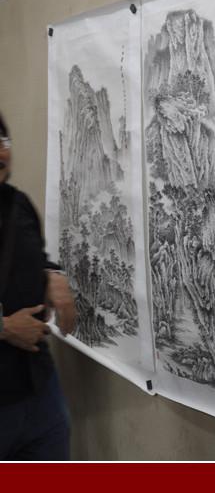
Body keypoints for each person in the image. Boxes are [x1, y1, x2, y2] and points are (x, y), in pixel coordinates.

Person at [0, 111, 77, 460]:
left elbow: (35, 258)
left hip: (40, 390)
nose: (1, 153)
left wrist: (53, 274)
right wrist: (3, 327)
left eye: (2, 142)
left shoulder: (19, 205)